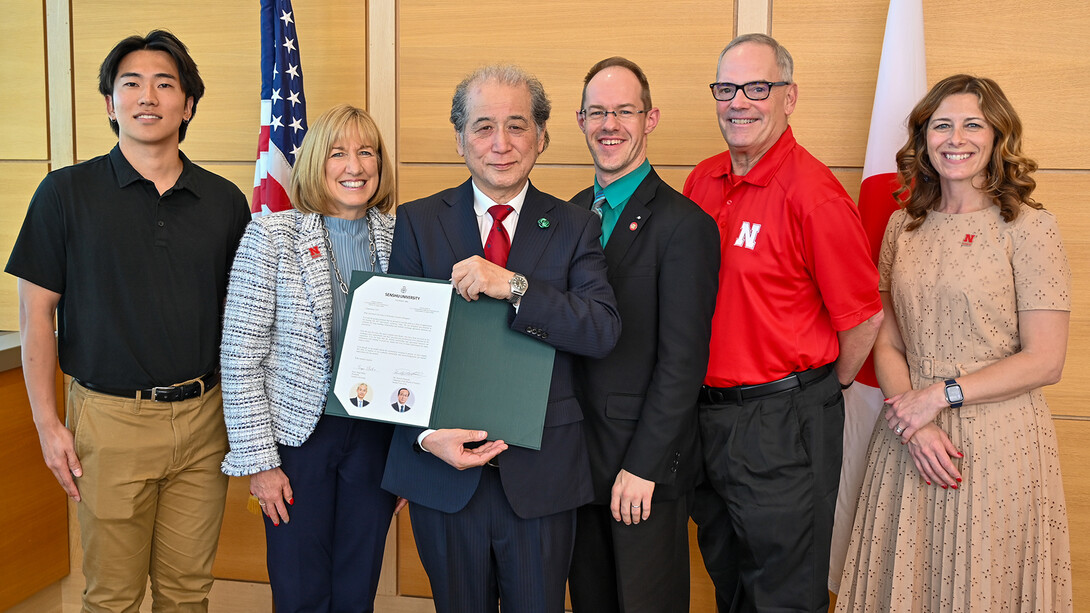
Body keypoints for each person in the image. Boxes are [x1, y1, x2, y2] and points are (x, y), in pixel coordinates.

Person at [5, 30, 250, 611]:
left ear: (188, 104)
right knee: (112, 596)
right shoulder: (65, 192)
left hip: (204, 420)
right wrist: (47, 423)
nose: (148, 96)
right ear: (110, 104)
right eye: (131, 84)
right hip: (108, 423)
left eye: (165, 84)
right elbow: (36, 313)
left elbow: (247, 320)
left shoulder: (224, 200)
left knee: (188, 592)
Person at [380, 64, 621, 613]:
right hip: (442, 473)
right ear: (460, 138)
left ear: (542, 137)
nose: (501, 144)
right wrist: (421, 437)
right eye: (483, 126)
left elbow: (602, 329)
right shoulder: (416, 222)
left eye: (517, 126)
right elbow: (396, 350)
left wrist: (514, 285)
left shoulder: (576, 224)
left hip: (540, 477)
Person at [835, 75, 1073, 612]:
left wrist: (938, 397)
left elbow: (1046, 359)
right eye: (941, 125)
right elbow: (887, 340)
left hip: (997, 444)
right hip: (909, 437)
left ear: (997, 138)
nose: (955, 138)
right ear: (923, 139)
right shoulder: (902, 225)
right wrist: (912, 422)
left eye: (973, 124)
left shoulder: (1031, 228)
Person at [683, 33, 883, 612]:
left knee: (785, 595)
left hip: (783, 423)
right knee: (729, 578)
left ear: (789, 97)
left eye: (757, 87)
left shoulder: (814, 195)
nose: (739, 101)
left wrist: (819, 390)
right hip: (707, 418)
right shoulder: (703, 181)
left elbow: (863, 317)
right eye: (726, 88)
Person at [220, 104, 398, 612]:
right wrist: (259, 462)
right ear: (316, 162)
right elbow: (239, 357)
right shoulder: (272, 236)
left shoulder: (400, 236)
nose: (355, 166)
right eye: (338, 153)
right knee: (301, 591)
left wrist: (408, 457)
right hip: (298, 442)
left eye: (367, 152)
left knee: (357, 587)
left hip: (374, 438)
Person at [567, 57, 719, 613]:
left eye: (624, 111)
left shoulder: (685, 226)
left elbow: (683, 364)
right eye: (598, 112)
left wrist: (645, 466)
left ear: (650, 118)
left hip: (641, 470)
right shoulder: (571, 215)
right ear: (580, 121)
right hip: (575, 461)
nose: (610, 125)